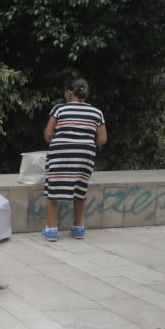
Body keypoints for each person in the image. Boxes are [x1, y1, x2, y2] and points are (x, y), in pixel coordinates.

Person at [41, 78, 107, 241]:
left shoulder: (59, 109)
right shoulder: (96, 112)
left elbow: (48, 134)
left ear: (69, 92)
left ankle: (52, 230)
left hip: (60, 151)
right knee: (80, 188)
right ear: (86, 93)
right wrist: (85, 143)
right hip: (85, 153)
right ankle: (78, 228)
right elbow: (103, 138)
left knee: (53, 189)